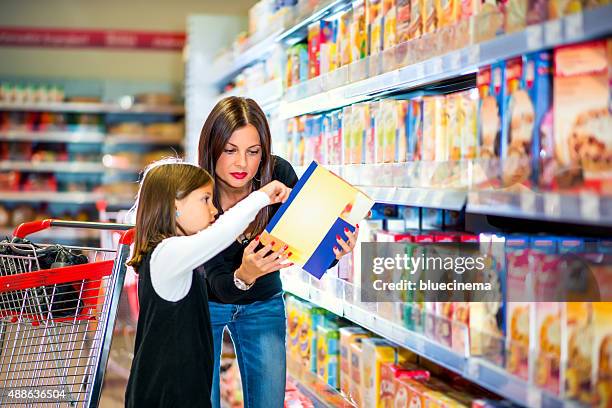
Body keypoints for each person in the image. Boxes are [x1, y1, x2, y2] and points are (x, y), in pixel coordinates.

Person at [198, 96, 358, 408]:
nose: (242, 163)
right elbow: (217, 282)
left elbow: (308, 246)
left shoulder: (278, 172)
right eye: (230, 150)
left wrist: (336, 249)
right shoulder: (198, 192)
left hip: (263, 303)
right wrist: (244, 275)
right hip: (204, 304)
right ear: (211, 147)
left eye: (253, 151)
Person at [124, 158, 291, 408]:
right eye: (205, 199)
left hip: (180, 390)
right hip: (166, 395)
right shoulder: (166, 254)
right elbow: (221, 233)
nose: (214, 210)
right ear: (174, 205)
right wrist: (262, 196)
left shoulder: (176, 255)